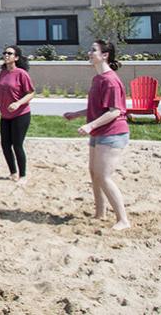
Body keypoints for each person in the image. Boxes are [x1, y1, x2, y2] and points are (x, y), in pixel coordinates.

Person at [63, 40, 130, 230]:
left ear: (105, 55)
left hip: (113, 133)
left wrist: (90, 125)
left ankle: (123, 220)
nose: (89, 53)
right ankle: (100, 213)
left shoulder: (110, 80)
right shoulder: (98, 79)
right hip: (99, 132)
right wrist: (76, 114)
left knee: (104, 176)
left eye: (93, 50)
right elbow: (97, 107)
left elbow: (115, 111)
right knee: (94, 174)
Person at [0, 45, 35, 182]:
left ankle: (23, 175)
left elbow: (31, 93)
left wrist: (18, 103)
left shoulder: (21, 74)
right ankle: (13, 172)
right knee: (5, 144)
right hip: (5, 116)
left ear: (16, 57)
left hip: (21, 115)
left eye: (10, 53)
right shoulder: (2, 73)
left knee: (17, 144)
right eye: (5, 53)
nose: (6, 55)